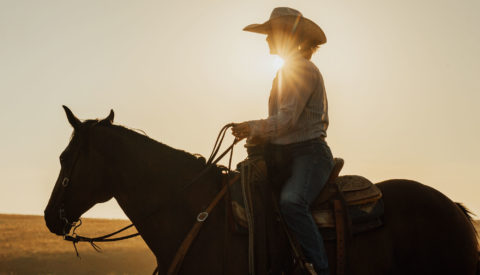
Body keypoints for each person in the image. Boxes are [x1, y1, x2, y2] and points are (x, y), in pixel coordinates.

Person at [231, 7, 334, 275]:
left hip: (309, 154)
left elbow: (286, 120)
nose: (266, 39)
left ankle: (320, 269)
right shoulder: (285, 72)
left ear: (286, 36)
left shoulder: (301, 70)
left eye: (270, 34)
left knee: (292, 202)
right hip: (284, 155)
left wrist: (252, 127)